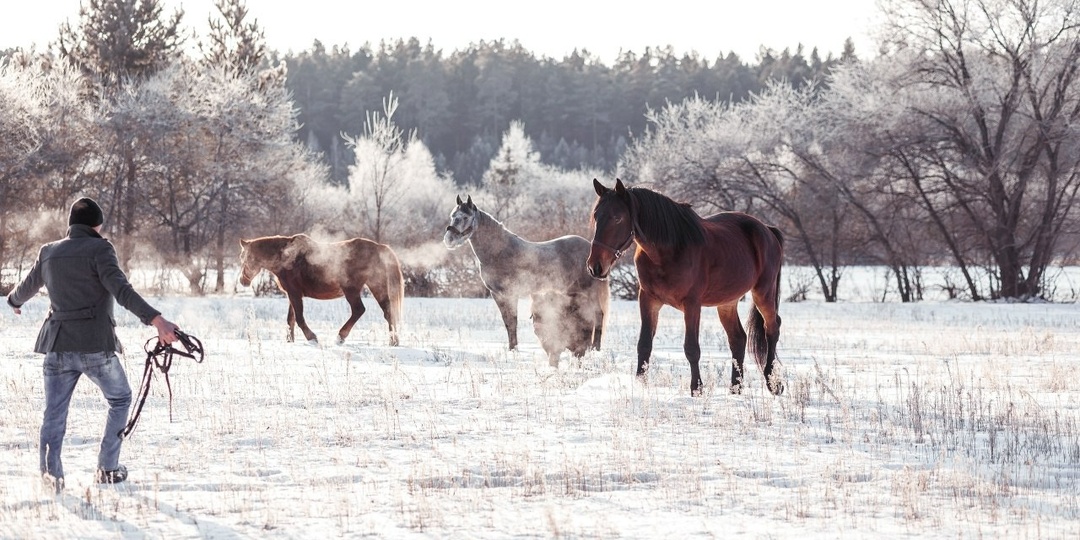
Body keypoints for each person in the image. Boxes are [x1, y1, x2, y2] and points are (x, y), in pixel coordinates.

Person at [6, 197, 180, 493]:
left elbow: (27, 286)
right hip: (95, 347)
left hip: (57, 345)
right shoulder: (101, 248)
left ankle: (51, 478)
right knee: (120, 399)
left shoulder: (48, 252)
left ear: (71, 224)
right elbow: (122, 291)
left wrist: (14, 301)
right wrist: (157, 320)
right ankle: (107, 469)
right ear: (97, 225)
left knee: (53, 414)